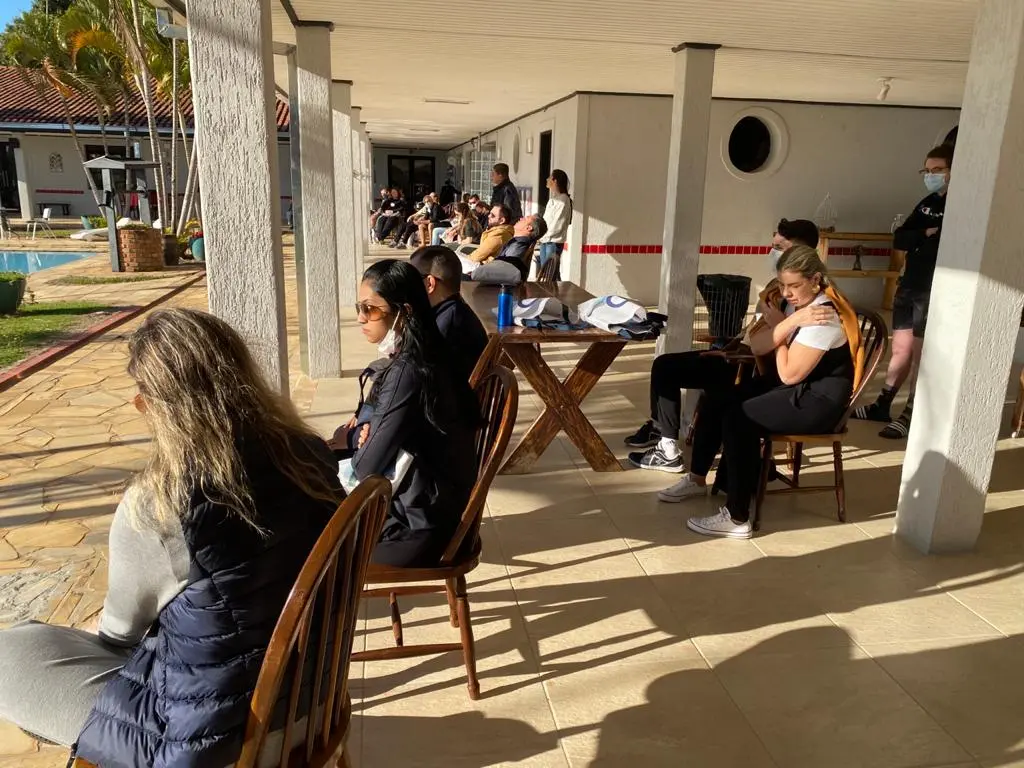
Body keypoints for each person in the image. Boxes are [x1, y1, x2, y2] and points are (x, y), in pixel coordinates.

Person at [0, 309, 342, 765]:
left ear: (156, 404)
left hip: (221, 742)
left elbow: (119, 634)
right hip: (314, 699)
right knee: (44, 639)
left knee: (9, 654)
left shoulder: (159, 504)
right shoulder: (307, 455)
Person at [659, 246, 858, 538]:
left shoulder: (821, 316)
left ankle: (737, 517)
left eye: (794, 285)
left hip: (817, 402)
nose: (787, 293)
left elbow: (789, 373)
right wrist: (787, 324)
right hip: (793, 387)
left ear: (815, 280)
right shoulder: (794, 307)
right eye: (783, 285)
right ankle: (696, 478)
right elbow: (758, 344)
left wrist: (782, 329)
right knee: (718, 397)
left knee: (739, 417)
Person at [625, 218, 821, 465]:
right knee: (664, 364)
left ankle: (667, 448)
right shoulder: (776, 287)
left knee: (668, 368)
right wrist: (727, 348)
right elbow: (755, 329)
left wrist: (737, 353)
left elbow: (779, 346)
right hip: (738, 355)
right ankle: (662, 429)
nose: (772, 253)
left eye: (779, 248)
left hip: (748, 367)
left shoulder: (800, 297)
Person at [348, 259, 480, 565]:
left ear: (404, 312)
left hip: (418, 530)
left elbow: (365, 467)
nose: (360, 318)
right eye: (359, 307)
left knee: (303, 546)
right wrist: (367, 434)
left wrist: (358, 438)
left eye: (370, 309)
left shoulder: (408, 370)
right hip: (438, 510)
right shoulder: (432, 350)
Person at [852, 143, 953, 439]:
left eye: (938, 170)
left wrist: (921, 238)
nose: (931, 175)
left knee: (922, 354)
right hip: (910, 284)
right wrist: (925, 233)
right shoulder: (927, 203)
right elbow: (900, 238)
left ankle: (911, 412)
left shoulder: (959, 205)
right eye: (927, 170)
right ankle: (882, 404)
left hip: (932, 289)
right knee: (901, 349)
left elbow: (943, 243)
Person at [410, 245, 489, 381]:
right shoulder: (452, 311)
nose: (406, 286)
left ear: (430, 284)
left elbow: (416, 377)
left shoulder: (448, 323)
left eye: (410, 280)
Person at [466, 212, 547, 284]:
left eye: (525, 219)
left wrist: (477, 270)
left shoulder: (518, 245)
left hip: (494, 286)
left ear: (528, 228)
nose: (521, 218)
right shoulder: (519, 243)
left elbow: (507, 269)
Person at [536, 169, 573, 279]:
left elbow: (558, 224)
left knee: (551, 273)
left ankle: (556, 290)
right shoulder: (553, 199)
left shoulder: (564, 200)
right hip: (545, 240)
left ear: (555, 181)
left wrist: (543, 235)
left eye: (549, 178)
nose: (547, 180)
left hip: (553, 241)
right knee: (546, 272)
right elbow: (546, 220)